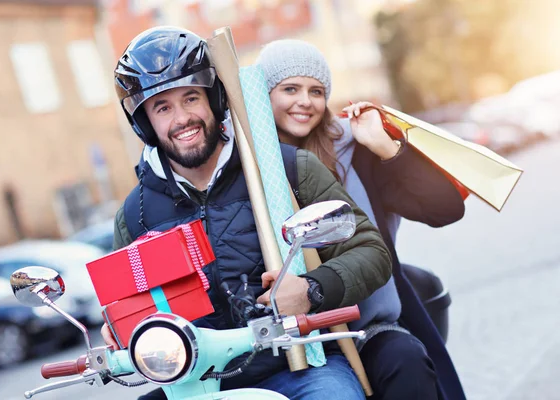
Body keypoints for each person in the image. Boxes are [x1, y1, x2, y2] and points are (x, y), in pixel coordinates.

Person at [102, 26, 393, 400]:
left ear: (214, 98)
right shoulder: (134, 215)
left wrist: (311, 289)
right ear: (144, 124)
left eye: (191, 98)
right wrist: (121, 330)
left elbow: (371, 251)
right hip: (199, 384)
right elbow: (131, 312)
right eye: (163, 107)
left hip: (298, 367)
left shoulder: (286, 169)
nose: (181, 119)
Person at [256, 39, 467, 400]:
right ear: (262, 96)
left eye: (316, 90)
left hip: (368, 326)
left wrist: (384, 146)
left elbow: (444, 207)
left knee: (407, 362)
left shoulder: (354, 152)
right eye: (290, 88)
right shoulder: (244, 166)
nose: (305, 101)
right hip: (286, 340)